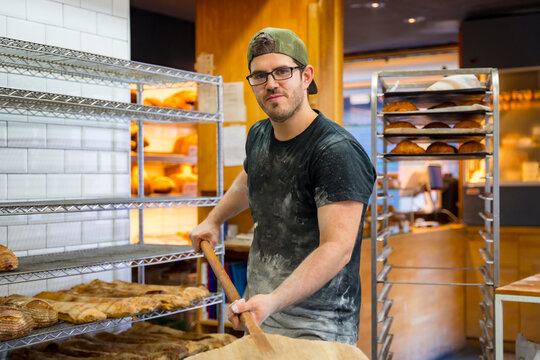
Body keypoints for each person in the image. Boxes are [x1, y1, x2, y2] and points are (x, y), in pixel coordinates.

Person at [190, 27, 376, 345]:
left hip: (318, 326)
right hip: (259, 313)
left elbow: (337, 250)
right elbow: (250, 177)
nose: (271, 83)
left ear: (306, 76)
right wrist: (214, 219)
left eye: (282, 71)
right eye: (260, 75)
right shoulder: (260, 134)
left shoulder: (335, 150)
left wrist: (273, 300)